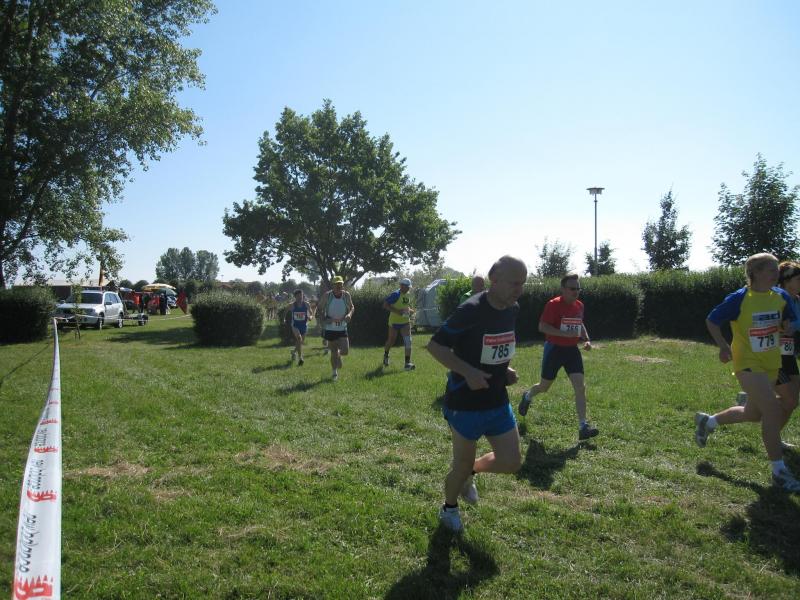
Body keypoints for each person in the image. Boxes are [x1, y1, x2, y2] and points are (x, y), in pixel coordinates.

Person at [427, 255, 526, 533]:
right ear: (494, 279)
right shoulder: (470, 310)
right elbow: (436, 346)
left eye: (523, 284)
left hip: (496, 400)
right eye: (514, 283)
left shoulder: (512, 309)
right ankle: (449, 508)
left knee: (511, 462)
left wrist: (505, 369)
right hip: (465, 403)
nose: (519, 290)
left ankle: (471, 473)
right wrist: (469, 372)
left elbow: (496, 345)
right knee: (460, 466)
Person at [695, 253, 800, 492]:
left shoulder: (781, 296)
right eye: (771, 270)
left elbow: (790, 321)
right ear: (756, 273)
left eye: (776, 270)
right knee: (772, 409)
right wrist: (723, 346)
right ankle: (779, 472)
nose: (776, 274)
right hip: (747, 364)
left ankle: (708, 422)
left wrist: (787, 326)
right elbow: (712, 320)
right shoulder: (740, 298)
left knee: (752, 414)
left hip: (771, 364)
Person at [518, 273, 598, 441]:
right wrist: (563, 333)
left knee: (580, 387)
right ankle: (528, 395)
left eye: (578, 288)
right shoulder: (553, 305)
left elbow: (580, 323)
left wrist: (586, 339)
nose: (576, 291)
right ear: (563, 289)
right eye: (572, 288)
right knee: (544, 387)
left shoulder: (579, 305)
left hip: (572, 351)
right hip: (554, 349)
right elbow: (542, 326)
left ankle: (583, 426)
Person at [320, 276, 354, 381]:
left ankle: (339, 355)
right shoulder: (327, 295)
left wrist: (349, 315)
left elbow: (352, 307)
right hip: (330, 328)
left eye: (341, 284)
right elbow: (319, 309)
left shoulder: (346, 295)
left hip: (342, 327)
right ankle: (334, 373)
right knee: (333, 351)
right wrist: (325, 319)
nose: (339, 286)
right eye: (337, 284)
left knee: (345, 351)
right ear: (333, 285)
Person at [382, 278, 415, 370]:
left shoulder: (408, 294)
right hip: (394, 322)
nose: (408, 288)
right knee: (391, 340)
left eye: (409, 287)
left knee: (408, 341)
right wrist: (398, 312)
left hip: (405, 322)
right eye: (407, 287)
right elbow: (385, 305)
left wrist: (410, 311)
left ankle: (407, 364)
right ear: (401, 286)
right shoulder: (395, 294)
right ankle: (386, 355)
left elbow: (406, 307)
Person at [286, 289, 313, 366]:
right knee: (299, 338)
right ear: (295, 297)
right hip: (295, 325)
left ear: (303, 295)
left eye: (301, 295)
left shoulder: (306, 304)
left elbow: (311, 313)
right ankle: (300, 358)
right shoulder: (292, 305)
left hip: (304, 325)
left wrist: (310, 317)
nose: (300, 297)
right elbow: (285, 311)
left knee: (300, 342)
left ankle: (293, 352)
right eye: (298, 296)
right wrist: (284, 318)